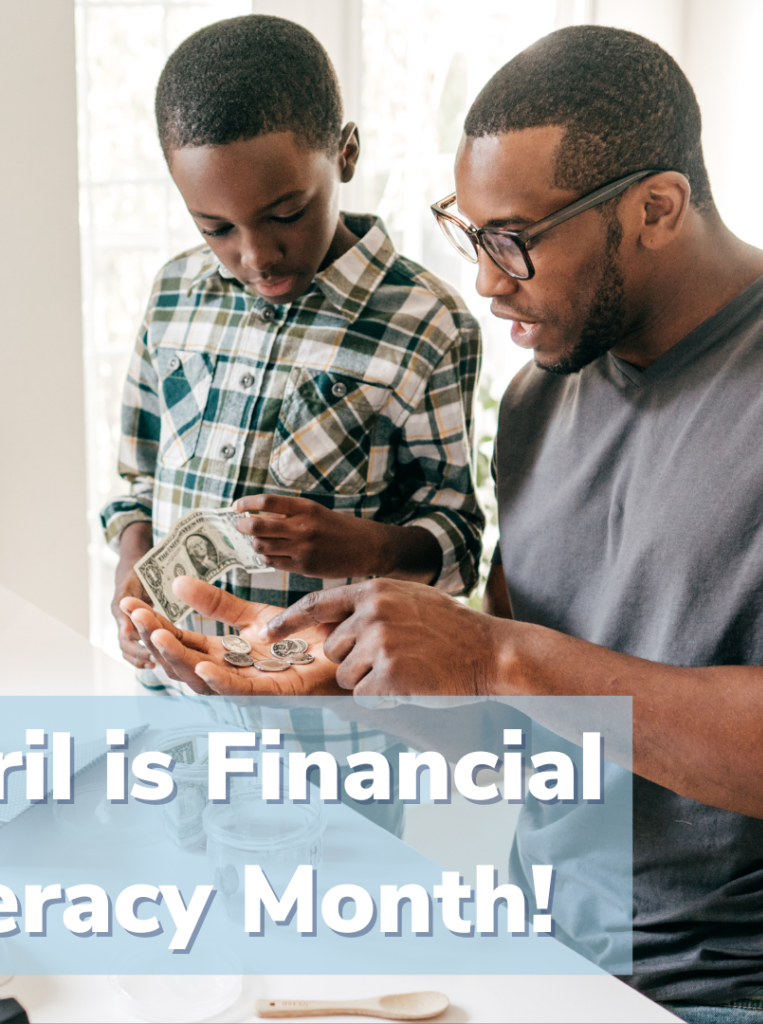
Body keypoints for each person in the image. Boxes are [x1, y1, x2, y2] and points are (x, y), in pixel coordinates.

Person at [128, 25, 763, 1024]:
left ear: (656, 207)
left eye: (514, 241)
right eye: (471, 235)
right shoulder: (541, 403)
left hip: (747, 987)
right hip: (539, 943)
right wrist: (346, 683)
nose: (489, 282)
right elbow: (522, 738)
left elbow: (522, 669)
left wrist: (503, 657)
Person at [105, 14, 482, 834]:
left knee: (323, 939)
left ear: (344, 154)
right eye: (217, 229)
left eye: (284, 212)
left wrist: (358, 547)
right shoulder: (174, 295)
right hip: (176, 716)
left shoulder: (427, 324)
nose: (256, 254)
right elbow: (135, 483)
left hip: (332, 734)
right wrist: (132, 577)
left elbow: (455, 537)